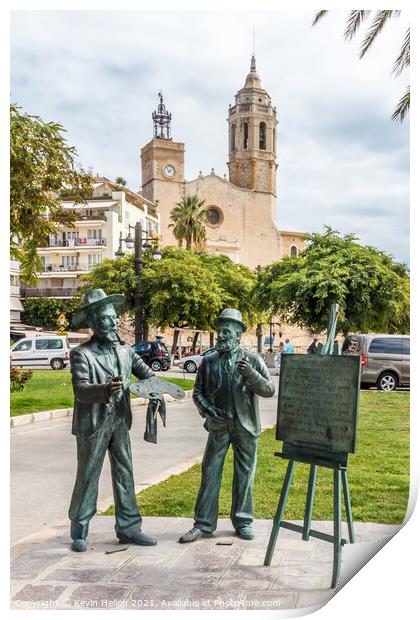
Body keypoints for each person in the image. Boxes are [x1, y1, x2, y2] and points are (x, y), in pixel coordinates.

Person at [68, 288, 158, 552]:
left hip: (119, 421)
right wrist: (105, 389)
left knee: (125, 473)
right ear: (94, 322)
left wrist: (157, 391)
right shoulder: (81, 354)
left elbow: (148, 375)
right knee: (87, 475)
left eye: (116, 317)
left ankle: (129, 528)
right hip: (93, 424)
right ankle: (80, 529)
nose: (115, 322)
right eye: (108, 318)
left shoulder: (126, 351)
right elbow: (80, 390)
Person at [179, 308, 275, 543]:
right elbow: (197, 392)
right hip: (219, 425)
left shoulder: (253, 360)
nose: (221, 336)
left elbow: (269, 390)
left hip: (246, 426)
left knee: (245, 474)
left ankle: (243, 521)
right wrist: (207, 410)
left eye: (226, 331)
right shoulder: (208, 361)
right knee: (210, 472)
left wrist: (251, 374)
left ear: (238, 335)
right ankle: (203, 524)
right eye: (219, 331)